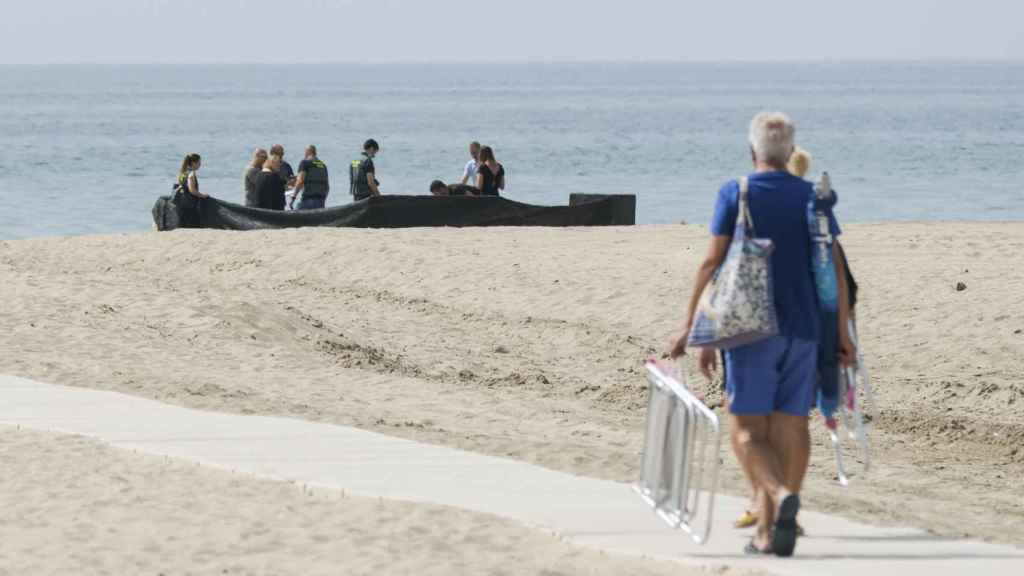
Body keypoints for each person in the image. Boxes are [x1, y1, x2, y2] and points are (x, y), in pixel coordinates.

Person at [669, 112, 854, 557]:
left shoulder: (738, 192)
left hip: (751, 329)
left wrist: (691, 325)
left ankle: (778, 493)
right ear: (790, 153)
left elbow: (712, 263)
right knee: (792, 426)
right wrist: (844, 332)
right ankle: (768, 532)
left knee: (747, 431)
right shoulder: (814, 197)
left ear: (753, 152)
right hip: (805, 328)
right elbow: (836, 272)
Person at [292, 145, 330, 210]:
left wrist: (293, 197)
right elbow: (327, 187)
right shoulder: (323, 165)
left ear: (307, 152)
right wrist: (323, 200)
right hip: (321, 202)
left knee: (293, 218)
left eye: (305, 152)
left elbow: (300, 181)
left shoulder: (304, 163)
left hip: (308, 201)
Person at [174, 153, 207, 228]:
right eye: (199, 162)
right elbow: (192, 190)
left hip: (181, 203)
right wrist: (203, 195)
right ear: (193, 163)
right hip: (190, 204)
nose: (200, 164)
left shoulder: (183, 172)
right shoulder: (191, 174)